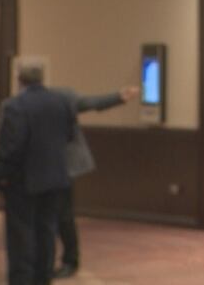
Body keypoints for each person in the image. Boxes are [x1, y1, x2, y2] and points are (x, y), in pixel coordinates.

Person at [0, 64, 75, 285]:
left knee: (21, 234)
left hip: (23, 181)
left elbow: (11, 146)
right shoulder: (61, 102)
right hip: (55, 178)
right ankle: (43, 276)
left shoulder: (14, 106)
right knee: (47, 230)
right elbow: (69, 135)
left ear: (20, 80)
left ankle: (22, 279)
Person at [49, 86, 140, 279]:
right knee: (49, 218)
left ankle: (70, 260)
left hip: (64, 166)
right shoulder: (24, 103)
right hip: (42, 169)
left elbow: (90, 103)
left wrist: (119, 97)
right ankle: (47, 260)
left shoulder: (60, 98)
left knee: (64, 217)